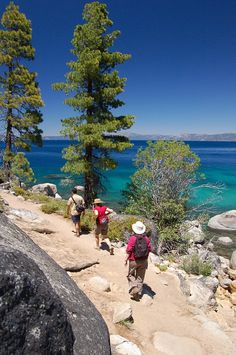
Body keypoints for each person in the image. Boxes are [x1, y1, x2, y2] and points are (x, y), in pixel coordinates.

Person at [126, 221, 152, 301]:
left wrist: (126, 259)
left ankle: (134, 288)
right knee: (140, 278)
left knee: (130, 275)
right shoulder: (147, 239)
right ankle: (137, 294)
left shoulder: (133, 238)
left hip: (134, 260)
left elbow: (129, 250)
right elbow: (150, 249)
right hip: (144, 261)